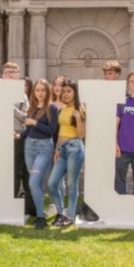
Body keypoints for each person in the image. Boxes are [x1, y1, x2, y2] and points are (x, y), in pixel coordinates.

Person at [47, 80, 86, 227]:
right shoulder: (62, 109)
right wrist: (57, 149)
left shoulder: (79, 109)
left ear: (75, 93)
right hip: (62, 149)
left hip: (75, 148)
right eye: (63, 92)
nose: (65, 94)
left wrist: (77, 117)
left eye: (68, 91)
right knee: (51, 183)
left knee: (71, 183)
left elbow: (81, 135)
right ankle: (61, 213)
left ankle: (70, 215)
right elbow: (61, 131)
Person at [24, 78, 57, 229]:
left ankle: (40, 216)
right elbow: (29, 130)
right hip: (29, 147)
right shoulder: (32, 107)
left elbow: (51, 131)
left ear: (47, 91)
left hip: (44, 148)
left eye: (43, 90)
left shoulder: (52, 108)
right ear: (34, 92)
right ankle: (40, 212)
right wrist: (20, 136)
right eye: (37, 90)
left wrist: (35, 123)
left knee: (33, 182)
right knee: (36, 183)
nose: (40, 93)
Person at [2, 62, 34, 215]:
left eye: (14, 72)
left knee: (16, 172)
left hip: (17, 138)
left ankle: (15, 205)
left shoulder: (22, 96)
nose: (10, 75)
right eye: (7, 72)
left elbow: (25, 117)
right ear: (2, 74)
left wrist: (10, 106)